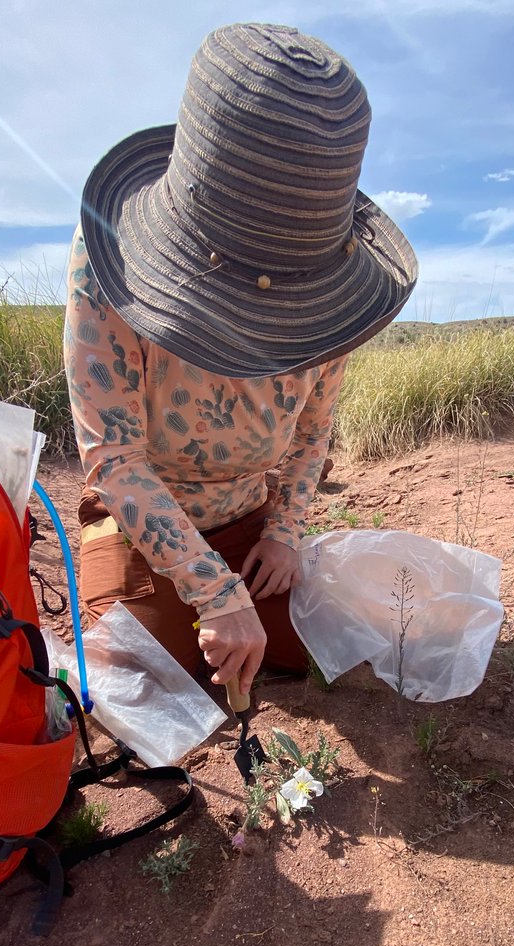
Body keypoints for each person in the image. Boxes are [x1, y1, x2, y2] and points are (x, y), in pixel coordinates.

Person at [64, 22, 417, 699]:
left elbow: (313, 431)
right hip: (144, 522)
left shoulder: (330, 298)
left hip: (249, 521)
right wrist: (213, 591)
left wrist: (284, 534)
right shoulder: (108, 260)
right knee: (137, 688)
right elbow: (113, 459)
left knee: (321, 649)